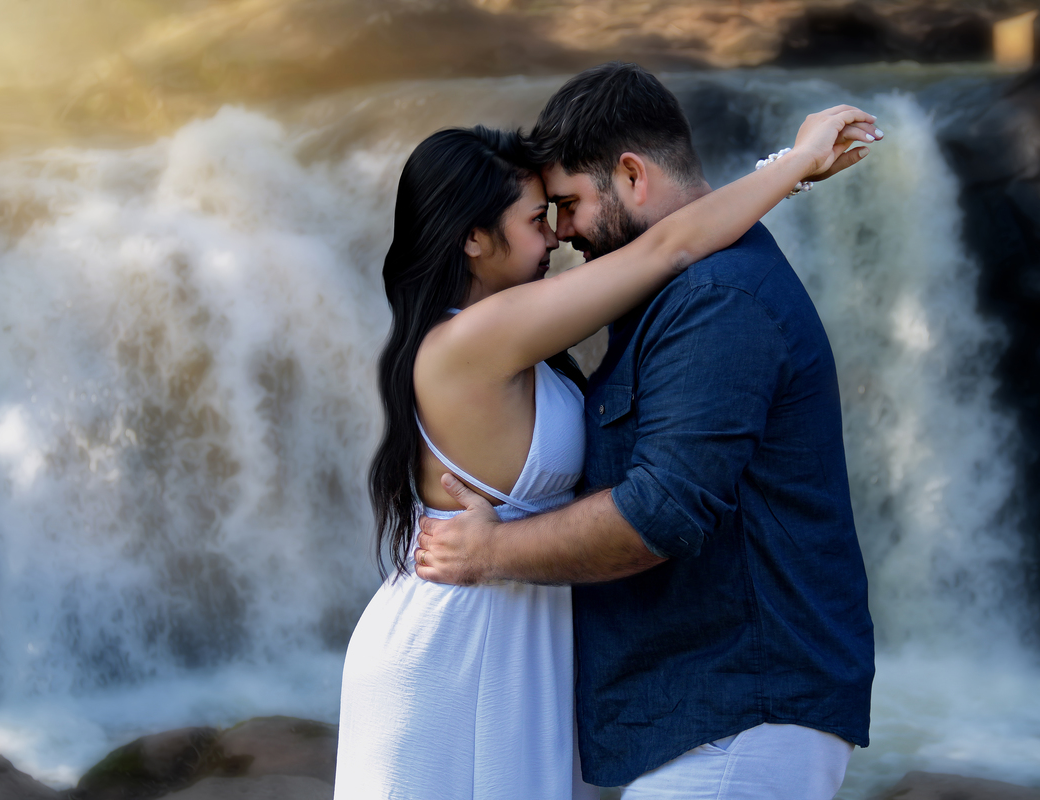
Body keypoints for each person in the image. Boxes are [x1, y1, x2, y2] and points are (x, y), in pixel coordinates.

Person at [334, 67, 877, 799]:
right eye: (539, 218)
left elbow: (674, 243)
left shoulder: (677, 302)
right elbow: (667, 247)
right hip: (464, 642)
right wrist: (796, 164)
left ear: (628, 174)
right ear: (472, 239)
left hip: (539, 643)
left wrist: (793, 170)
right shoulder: (475, 338)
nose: (558, 236)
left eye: (562, 208)